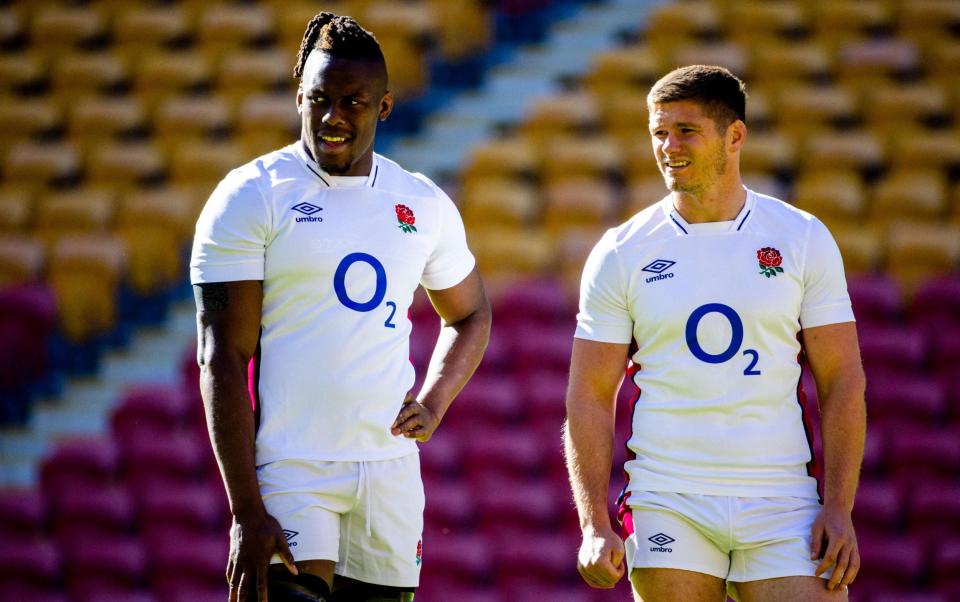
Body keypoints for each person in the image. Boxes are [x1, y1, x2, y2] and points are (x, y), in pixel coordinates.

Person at [190, 13, 490, 602]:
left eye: (353, 101)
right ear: (298, 95)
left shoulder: (420, 202)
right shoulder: (251, 196)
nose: (333, 116)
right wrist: (246, 511)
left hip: (390, 473)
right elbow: (222, 355)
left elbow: (471, 314)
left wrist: (433, 401)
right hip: (293, 466)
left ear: (383, 107)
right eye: (320, 98)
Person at [564, 65, 866, 602]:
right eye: (658, 132)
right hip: (668, 497)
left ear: (735, 136)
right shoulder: (621, 250)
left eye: (686, 131)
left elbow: (842, 380)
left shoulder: (801, 238)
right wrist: (593, 524)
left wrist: (839, 507)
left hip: (782, 500)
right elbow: (588, 394)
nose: (667, 146)